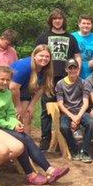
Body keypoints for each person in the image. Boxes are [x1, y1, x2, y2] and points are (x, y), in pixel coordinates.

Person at [0, 66, 70, 185]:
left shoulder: (6, 92)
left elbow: (11, 113)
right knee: (23, 138)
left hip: (5, 125)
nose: (5, 82)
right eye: (2, 79)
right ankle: (44, 171)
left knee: (22, 136)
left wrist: (16, 123)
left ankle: (38, 173)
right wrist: (10, 126)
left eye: (7, 80)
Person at [35, 8, 81, 149]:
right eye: (55, 18)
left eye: (60, 18)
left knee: (66, 108)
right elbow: (36, 56)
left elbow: (77, 56)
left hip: (66, 79)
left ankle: (65, 139)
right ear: (51, 20)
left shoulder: (70, 38)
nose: (57, 21)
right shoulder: (43, 37)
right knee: (46, 110)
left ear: (63, 21)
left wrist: (77, 71)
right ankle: (45, 139)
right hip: (48, 78)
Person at [10, 45, 54, 135]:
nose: (44, 58)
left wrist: (32, 105)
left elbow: (41, 89)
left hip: (24, 91)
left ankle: (27, 142)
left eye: (47, 56)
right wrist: (17, 107)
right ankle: (17, 139)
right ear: (34, 56)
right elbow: (13, 87)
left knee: (27, 116)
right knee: (18, 116)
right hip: (7, 91)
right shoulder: (24, 67)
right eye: (41, 56)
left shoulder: (46, 69)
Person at [55, 59, 93, 162]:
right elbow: (60, 104)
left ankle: (85, 151)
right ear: (66, 69)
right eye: (70, 68)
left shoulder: (84, 82)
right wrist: (72, 117)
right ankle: (75, 149)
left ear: (78, 69)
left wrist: (78, 117)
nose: (72, 70)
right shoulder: (60, 84)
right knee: (63, 127)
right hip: (67, 112)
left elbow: (85, 103)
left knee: (90, 123)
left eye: (75, 68)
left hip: (81, 111)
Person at [71, 14, 93, 80]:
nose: (86, 25)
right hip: (74, 76)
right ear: (79, 24)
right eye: (83, 23)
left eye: (88, 23)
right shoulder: (72, 37)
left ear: (91, 25)